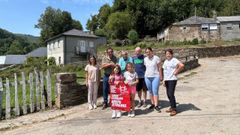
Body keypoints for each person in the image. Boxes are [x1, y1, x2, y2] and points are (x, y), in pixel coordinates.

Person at [162, 49, 184, 116]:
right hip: (167, 80)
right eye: (166, 54)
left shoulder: (174, 60)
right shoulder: (165, 61)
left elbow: (182, 65)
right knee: (168, 94)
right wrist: (163, 80)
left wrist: (176, 71)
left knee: (171, 94)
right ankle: (172, 107)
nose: (168, 55)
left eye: (169, 54)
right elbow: (164, 71)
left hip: (172, 79)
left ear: (172, 54)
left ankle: (174, 109)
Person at [144, 47, 163, 112]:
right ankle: (152, 103)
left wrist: (161, 76)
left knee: (155, 91)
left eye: (149, 51)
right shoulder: (145, 59)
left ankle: (156, 105)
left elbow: (160, 67)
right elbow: (146, 67)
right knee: (150, 91)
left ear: (152, 51)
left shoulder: (156, 58)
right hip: (147, 77)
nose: (148, 53)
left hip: (155, 76)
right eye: (146, 52)